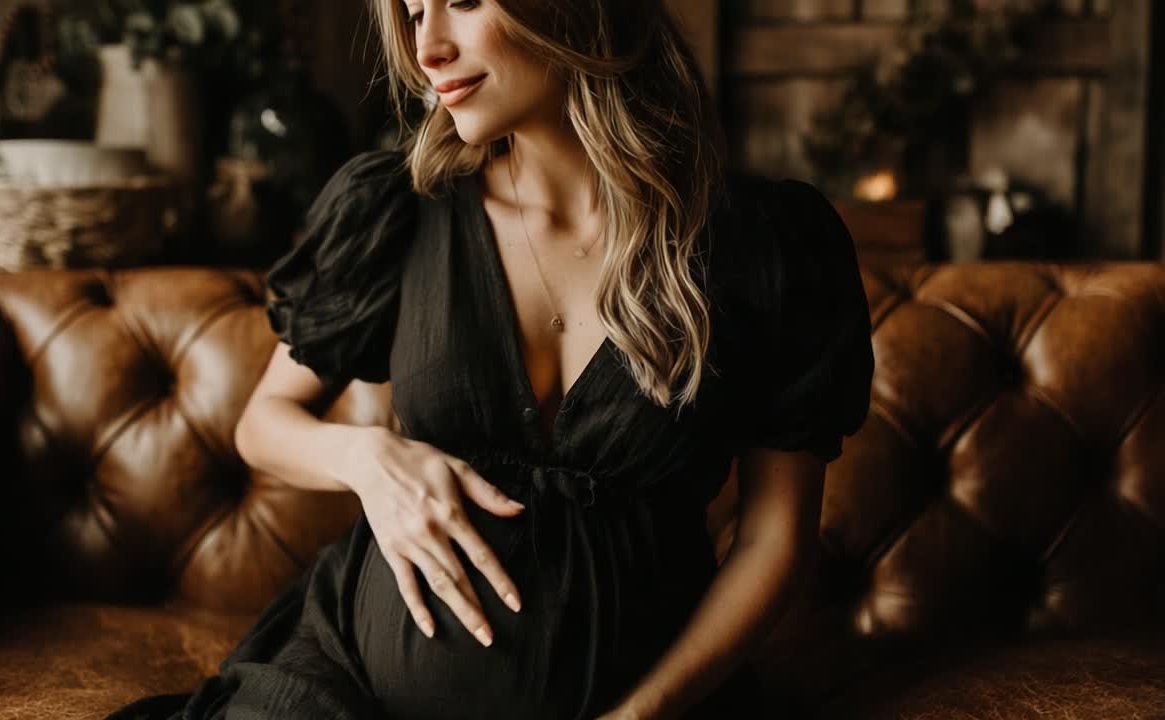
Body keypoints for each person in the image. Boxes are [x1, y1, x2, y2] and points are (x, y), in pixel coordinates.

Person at [106, 0, 874, 718]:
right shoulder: (398, 211)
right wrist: (368, 459)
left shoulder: (764, 245)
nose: (428, 48)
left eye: (465, 1)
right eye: (414, 13)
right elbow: (263, 426)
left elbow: (775, 538)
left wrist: (642, 715)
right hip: (348, 687)